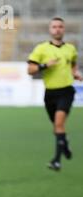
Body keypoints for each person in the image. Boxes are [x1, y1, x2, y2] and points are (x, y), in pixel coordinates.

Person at [27, 17, 82, 171]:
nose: (57, 29)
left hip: (66, 91)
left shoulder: (70, 48)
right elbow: (30, 70)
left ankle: (56, 161)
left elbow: (72, 64)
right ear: (50, 30)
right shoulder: (41, 49)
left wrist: (75, 74)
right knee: (57, 128)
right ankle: (65, 143)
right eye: (54, 27)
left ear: (64, 29)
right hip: (50, 93)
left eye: (60, 26)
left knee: (58, 124)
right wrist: (45, 65)